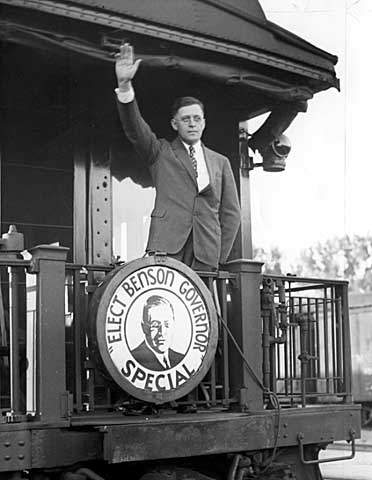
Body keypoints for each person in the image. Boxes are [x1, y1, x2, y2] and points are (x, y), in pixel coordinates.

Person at [114, 43, 241, 271]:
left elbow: (232, 213)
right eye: (185, 119)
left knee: (203, 307)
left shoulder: (220, 162)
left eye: (196, 118)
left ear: (204, 122)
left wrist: (219, 255)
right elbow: (136, 129)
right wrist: (125, 87)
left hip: (206, 255)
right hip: (167, 247)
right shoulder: (160, 151)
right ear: (175, 124)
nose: (192, 123)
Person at [131, 295, 184, 371]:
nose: (162, 332)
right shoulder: (134, 361)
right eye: (155, 325)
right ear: (144, 327)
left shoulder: (180, 360)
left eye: (167, 325)